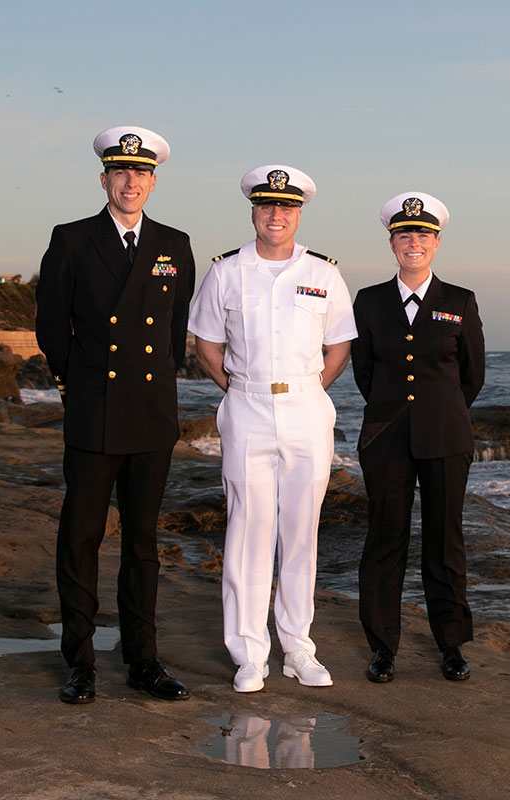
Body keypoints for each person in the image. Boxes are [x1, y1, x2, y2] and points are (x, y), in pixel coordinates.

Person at [35, 125, 196, 705]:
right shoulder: (73, 239)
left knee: (143, 542)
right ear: (104, 179)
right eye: (121, 172)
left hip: (151, 413)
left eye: (142, 173)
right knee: (79, 538)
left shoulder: (175, 244)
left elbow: (175, 330)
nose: (131, 182)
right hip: (94, 410)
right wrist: (75, 386)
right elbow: (52, 326)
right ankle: (79, 663)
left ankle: (143, 661)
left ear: (153, 181)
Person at [188, 165, 356, 693]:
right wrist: (241, 388)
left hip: (307, 408)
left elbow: (339, 347)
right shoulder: (225, 272)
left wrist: (307, 389)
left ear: (299, 213)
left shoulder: (325, 274)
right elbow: (207, 347)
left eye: (285, 206)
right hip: (246, 407)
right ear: (254, 211)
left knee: (301, 533)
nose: (276, 214)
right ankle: (248, 653)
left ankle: (298, 649)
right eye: (266, 205)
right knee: (247, 532)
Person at [351, 192, 485, 683]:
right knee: (385, 541)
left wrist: (437, 413)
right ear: (392, 243)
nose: (414, 242)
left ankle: (451, 645)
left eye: (424, 234)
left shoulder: (460, 301)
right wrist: (397, 413)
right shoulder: (368, 301)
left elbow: (472, 376)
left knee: (444, 543)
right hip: (386, 438)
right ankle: (382, 647)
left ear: (437, 242)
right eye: (405, 234)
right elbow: (364, 371)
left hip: (446, 439)